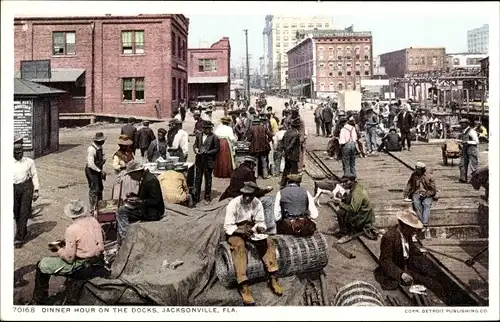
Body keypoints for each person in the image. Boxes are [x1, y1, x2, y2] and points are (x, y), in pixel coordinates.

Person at [32, 200, 105, 304]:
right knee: (62, 246)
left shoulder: (71, 229)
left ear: (71, 215)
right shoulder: (93, 221)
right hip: (98, 261)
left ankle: (39, 299)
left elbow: (70, 259)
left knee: (41, 264)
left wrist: (57, 249)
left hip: (82, 268)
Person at [223, 182, 282, 305]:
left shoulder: (257, 203)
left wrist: (260, 228)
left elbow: (260, 221)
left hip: (251, 229)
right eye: (245, 195)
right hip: (235, 231)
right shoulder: (233, 204)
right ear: (242, 193)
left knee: (268, 242)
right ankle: (243, 285)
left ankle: (273, 277)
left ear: (254, 195)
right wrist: (240, 231)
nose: (247, 198)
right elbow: (228, 226)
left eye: (250, 195)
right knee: (239, 247)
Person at [376, 209, 447, 299]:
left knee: (435, 273)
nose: (414, 230)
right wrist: (401, 274)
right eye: (411, 227)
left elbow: (411, 247)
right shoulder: (389, 237)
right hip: (399, 269)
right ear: (402, 225)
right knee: (433, 284)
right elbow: (385, 261)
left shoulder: (406, 233)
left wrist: (420, 251)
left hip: (407, 264)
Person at [219, 158, 275, 233]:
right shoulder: (249, 172)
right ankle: (269, 228)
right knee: (267, 200)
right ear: (251, 164)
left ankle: (261, 224)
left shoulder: (236, 170)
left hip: (230, 194)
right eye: (253, 166)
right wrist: (265, 190)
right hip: (238, 196)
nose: (254, 168)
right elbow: (254, 191)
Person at [115, 161, 165, 245]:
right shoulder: (145, 178)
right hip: (148, 208)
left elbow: (155, 201)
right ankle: (124, 237)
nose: (131, 177)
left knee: (121, 211)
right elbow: (146, 196)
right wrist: (134, 196)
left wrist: (140, 202)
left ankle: (126, 239)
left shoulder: (150, 180)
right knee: (123, 208)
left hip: (153, 212)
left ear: (137, 172)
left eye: (131, 175)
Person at [331, 175, 375, 244]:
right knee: (343, 210)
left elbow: (353, 209)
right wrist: (342, 200)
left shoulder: (356, 192)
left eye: (346, 182)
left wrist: (340, 204)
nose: (343, 184)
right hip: (363, 213)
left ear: (352, 181)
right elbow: (351, 200)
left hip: (364, 217)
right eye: (343, 182)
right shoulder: (356, 187)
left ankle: (347, 234)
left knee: (340, 213)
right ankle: (345, 230)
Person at [13, 134, 40, 248]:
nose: (18, 154)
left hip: (26, 187)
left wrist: (36, 189)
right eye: (15, 152)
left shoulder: (29, 162)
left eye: (20, 152)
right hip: (13, 188)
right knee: (16, 212)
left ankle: (19, 238)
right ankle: (22, 230)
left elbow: (34, 175)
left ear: (23, 151)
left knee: (24, 211)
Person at [403, 162, 437, 239]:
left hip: (427, 193)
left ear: (422, 170)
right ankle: (422, 224)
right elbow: (409, 184)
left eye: (418, 170)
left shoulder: (429, 176)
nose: (417, 171)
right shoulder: (414, 175)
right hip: (416, 193)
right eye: (416, 169)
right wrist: (406, 193)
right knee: (416, 204)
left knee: (426, 205)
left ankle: (424, 224)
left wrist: (427, 194)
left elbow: (433, 190)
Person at [193, 121, 220, 205]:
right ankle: (196, 197)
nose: (206, 130)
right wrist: (196, 150)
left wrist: (207, 152)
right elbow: (194, 145)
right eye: (205, 128)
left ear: (210, 129)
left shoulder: (214, 137)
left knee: (208, 179)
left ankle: (207, 197)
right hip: (199, 160)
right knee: (198, 179)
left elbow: (217, 149)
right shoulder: (199, 135)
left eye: (208, 129)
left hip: (208, 161)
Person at [112, 135, 140, 201]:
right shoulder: (118, 154)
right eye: (125, 145)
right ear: (121, 145)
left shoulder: (130, 151)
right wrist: (123, 166)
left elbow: (133, 160)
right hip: (123, 173)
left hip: (131, 172)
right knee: (124, 187)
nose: (127, 146)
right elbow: (115, 166)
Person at [85, 132, 107, 210]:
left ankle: (99, 205)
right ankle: (93, 207)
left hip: (98, 170)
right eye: (102, 141)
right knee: (94, 189)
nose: (103, 142)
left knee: (100, 188)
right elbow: (91, 164)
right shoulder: (91, 149)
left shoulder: (100, 147)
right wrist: (100, 171)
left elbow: (103, 156)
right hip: (91, 170)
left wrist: (103, 160)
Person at [280, 117, 301, 188]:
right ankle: (294, 185)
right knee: (294, 171)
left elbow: (282, 141)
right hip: (293, 155)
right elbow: (292, 144)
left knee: (286, 169)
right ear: (298, 127)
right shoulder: (296, 134)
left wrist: (284, 151)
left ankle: (283, 183)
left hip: (287, 155)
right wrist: (287, 150)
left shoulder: (287, 132)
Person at [458, 118, 479, 183]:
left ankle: (475, 180)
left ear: (467, 124)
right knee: (462, 163)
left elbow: (477, 141)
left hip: (472, 149)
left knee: (473, 165)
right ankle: (463, 178)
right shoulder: (464, 131)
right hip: (465, 149)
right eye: (461, 124)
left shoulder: (472, 131)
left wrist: (467, 142)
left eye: (463, 123)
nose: (462, 125)